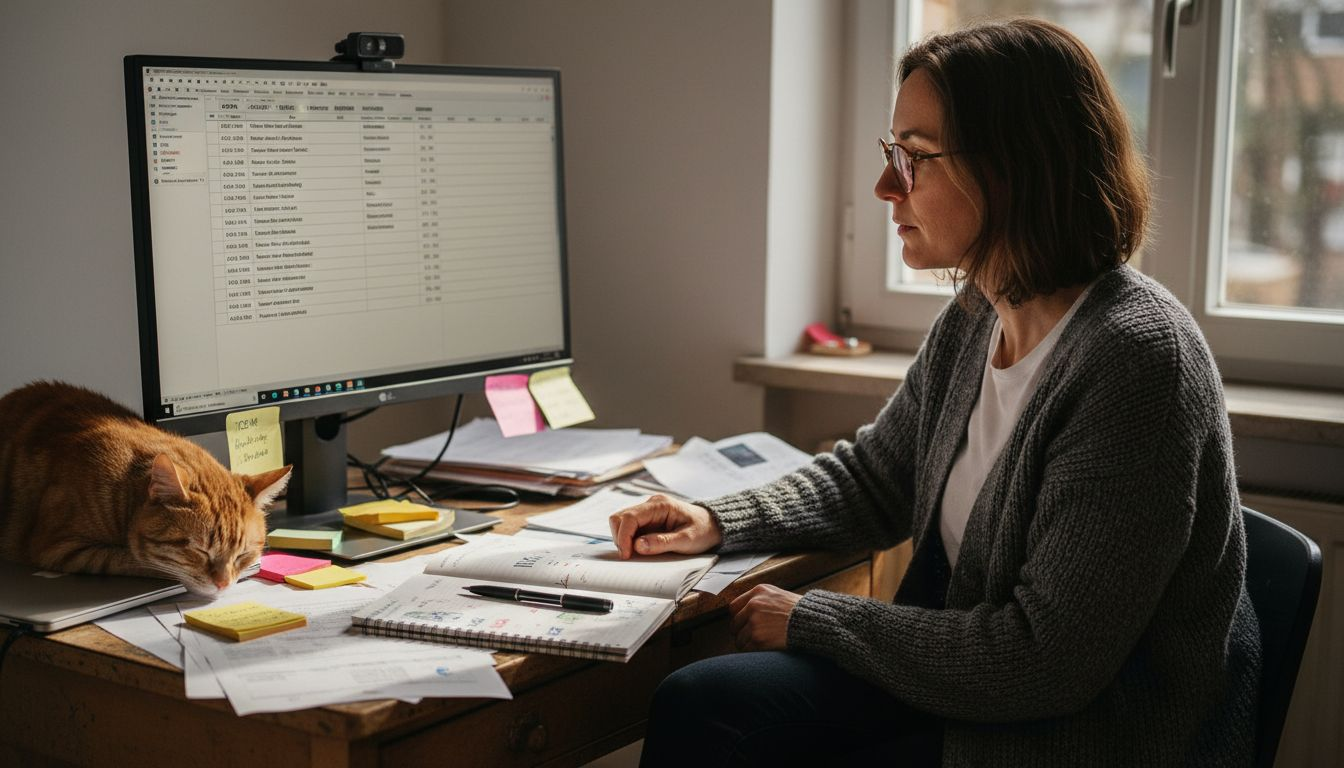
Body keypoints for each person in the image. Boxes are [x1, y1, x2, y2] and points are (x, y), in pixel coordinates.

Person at [609, 17, 1260, 767]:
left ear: (1014, 169)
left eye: (915, 157)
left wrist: (814, 620)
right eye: (893, 152)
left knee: (717, 715)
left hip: (1071, 738)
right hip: (975, 701)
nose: (887, 186)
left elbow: (1042, 659)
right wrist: (715, 518)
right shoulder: (980, 312)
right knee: (706, 702)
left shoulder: (1138, 364)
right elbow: (878, 474)